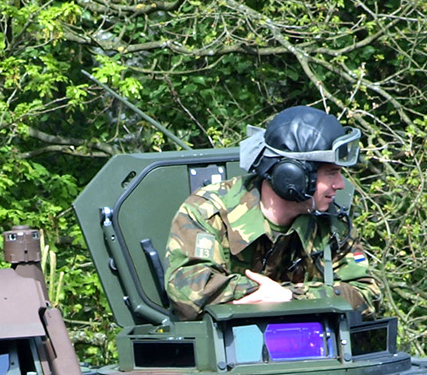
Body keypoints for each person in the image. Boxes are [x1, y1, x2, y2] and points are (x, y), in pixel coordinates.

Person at [163, 106, 380, 319]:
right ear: (293, 176)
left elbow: (367, 294)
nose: (340, 184)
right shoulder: (209, 211)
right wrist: (263, 293)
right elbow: (189, 290)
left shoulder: (331, 224)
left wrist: (290, 297)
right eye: (331, 173)